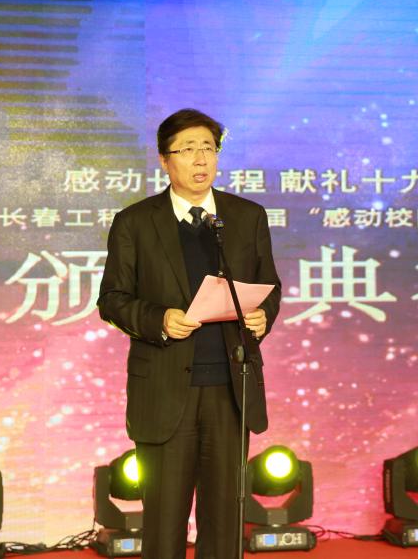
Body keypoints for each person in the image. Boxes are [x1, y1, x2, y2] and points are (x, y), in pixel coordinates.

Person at [97, 108, 281, 559]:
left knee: (225, 521)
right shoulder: (136, 222)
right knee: (164, 522)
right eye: (187, 149)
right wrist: (159, 318)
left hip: (230, 389)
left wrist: (262, 316)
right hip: (165, 390)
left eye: (208, 148)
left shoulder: (246, 216)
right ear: (165, 160)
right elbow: (112, 300)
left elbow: (269, 287)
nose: (201, 159)